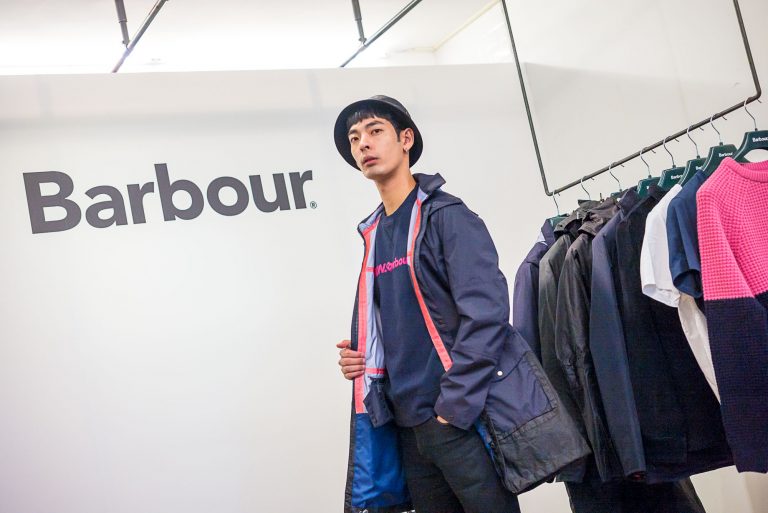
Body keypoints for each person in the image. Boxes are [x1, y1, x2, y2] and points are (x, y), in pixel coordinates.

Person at [334, 96, 588, 513]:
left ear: (406, 139)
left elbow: (487, 316)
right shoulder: (374, 232)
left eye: (375, 131)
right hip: (408, 425)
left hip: (458, 419)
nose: (363, 143)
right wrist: (361, 357)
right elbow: (395, 324)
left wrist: (452, 408)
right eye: (354, 137)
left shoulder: (447, 216)